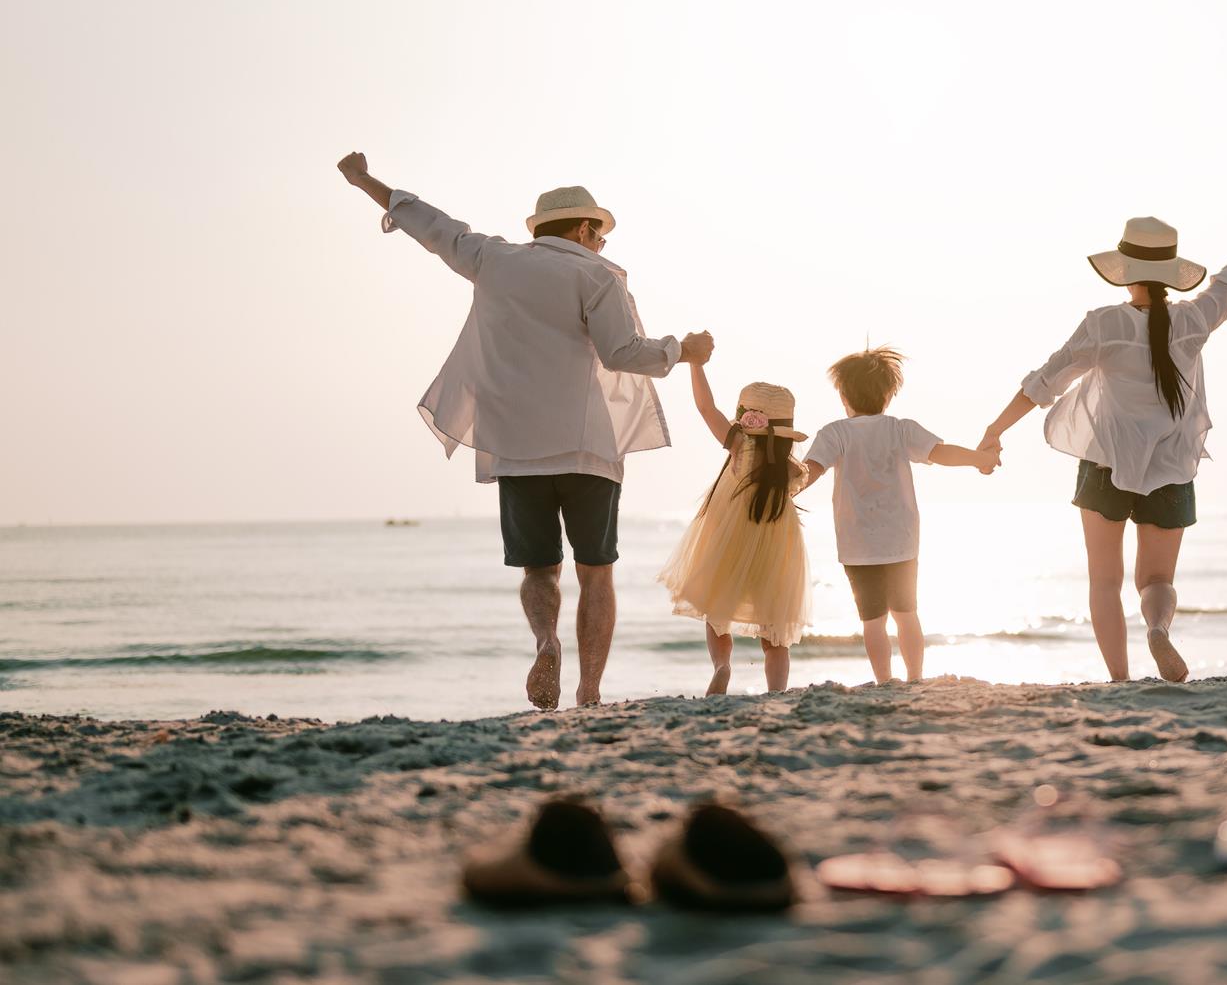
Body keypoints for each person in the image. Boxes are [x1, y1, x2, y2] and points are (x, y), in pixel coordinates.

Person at [335, 152, 711, 711]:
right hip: (587, 448)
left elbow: (430, 225)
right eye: (600, 235)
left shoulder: (492, 258)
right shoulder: (596, 275)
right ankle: (589, 692)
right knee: (596, 572)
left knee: (539, 568)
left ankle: (545, 641)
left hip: (515, 447)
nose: (603, 245)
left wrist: (365, 181)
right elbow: (621, 353)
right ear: (583, 229)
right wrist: (681, 350)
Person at [979, 198, 1227, 682]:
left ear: (1124, 271)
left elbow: (1044, 384)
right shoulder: (1195, 320)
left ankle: (1120, 681)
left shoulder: (1104, 324)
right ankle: (1157, 628)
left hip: (1106, 463)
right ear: (1170, 274)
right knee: (1156, 580)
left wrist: (994, 431)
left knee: (1104, 582)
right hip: (1171, 466)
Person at [800, 347, 1000, 685]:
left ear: (844, 395)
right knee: (907, 614)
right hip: (901, 541)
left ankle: (883, 680)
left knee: (872, 621)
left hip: (857, 544)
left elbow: (810, 472)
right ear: (888, 395)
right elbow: (942, 452)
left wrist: (778, 490)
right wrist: (979, 458)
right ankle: (915, 677)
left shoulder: (834, 433)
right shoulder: (900, 429)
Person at [658, 373, 812, 694]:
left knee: (717, 612)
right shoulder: (792, 468)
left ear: (745, 419)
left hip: (730, 538)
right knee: (775, 632)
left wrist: (696, 365)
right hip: (777, 547)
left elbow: (705, 407)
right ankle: (777, 692)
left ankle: (722, 666)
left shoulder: (739, 445)